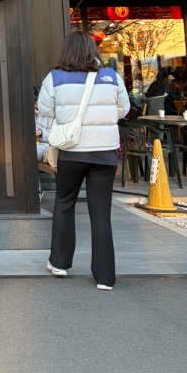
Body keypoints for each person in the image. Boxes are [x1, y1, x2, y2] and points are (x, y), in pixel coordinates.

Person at [38, 29, 129, 290]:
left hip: (72, 152)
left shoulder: (55, 77)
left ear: (66, 50)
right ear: (93, 50)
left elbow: (44, 109)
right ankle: (105, 278)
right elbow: (123, 110)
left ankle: (60, 263)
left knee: (64, 203)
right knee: (101, 213)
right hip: (105, 153)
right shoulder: (111, 77)